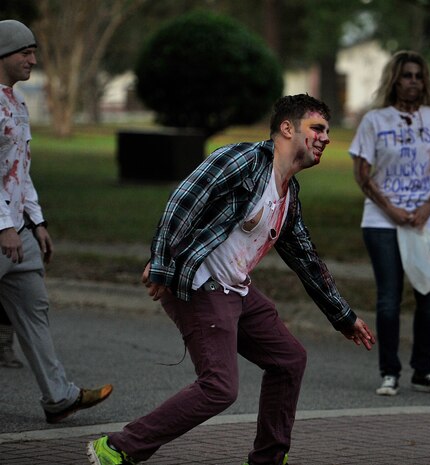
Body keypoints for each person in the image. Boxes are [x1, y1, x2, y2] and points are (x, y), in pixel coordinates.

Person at [86, 94, 376, 465]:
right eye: (317, 129)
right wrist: (161, 265)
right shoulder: (243, 160)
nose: (325, 138)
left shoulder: (288, 195)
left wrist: (344, 317)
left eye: (327, 131)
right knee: (219, 388)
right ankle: (117, 448)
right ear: (288, 129)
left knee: (288, 360)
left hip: (235, 288)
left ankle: (268, 458)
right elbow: (182, 202)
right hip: (200, 283)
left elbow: (307, 260)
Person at [0, 19, 113, 422]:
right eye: (24, 52)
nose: (33, 59)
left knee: (35, 307)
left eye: (33, 52)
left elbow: (19, 170)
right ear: (3, 56)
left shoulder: (15, 102)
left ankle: (58, 397)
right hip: (2, 231)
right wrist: (4, 226)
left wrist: (36, 221)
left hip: (18, 231)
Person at [349, 50, 430, 397]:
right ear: (394, 79)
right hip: (381, 221)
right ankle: (389, 372)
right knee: (389, 297)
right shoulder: (375, 120)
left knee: (429, 298)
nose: (413, 81)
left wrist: (427, 207)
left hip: (426, 221)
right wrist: (392, 210)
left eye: (418, 75)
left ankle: (423, 371)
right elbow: (362, 174)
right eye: (406, 75)